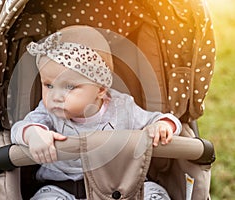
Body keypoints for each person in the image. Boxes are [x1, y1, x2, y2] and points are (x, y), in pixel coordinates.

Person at [11, 25, 181, 200]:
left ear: (100, 89)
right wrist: (33, 133)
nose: (55, 96)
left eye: (69, 87)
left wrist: (162, 125)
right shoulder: (48, 113)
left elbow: (156, 119)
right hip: (64, 189)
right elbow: (19, 129)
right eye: (48, 85)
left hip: (123, 188)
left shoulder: (122, 107)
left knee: (154, 193)